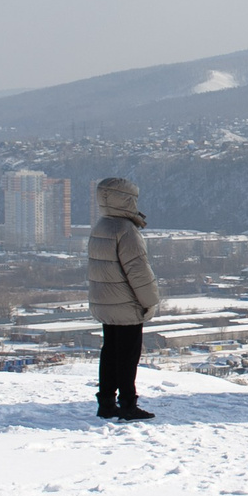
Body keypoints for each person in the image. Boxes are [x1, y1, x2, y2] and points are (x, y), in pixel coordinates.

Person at [87, 176, 161, 420]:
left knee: (109, 351)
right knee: (128, 356)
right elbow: (138, 271)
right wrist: (150, 301)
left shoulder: (101, 226)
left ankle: (106, 402)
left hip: (105, 302)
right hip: (127, 303)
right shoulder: (126, 230)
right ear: (126, 200)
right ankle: (128, 404)